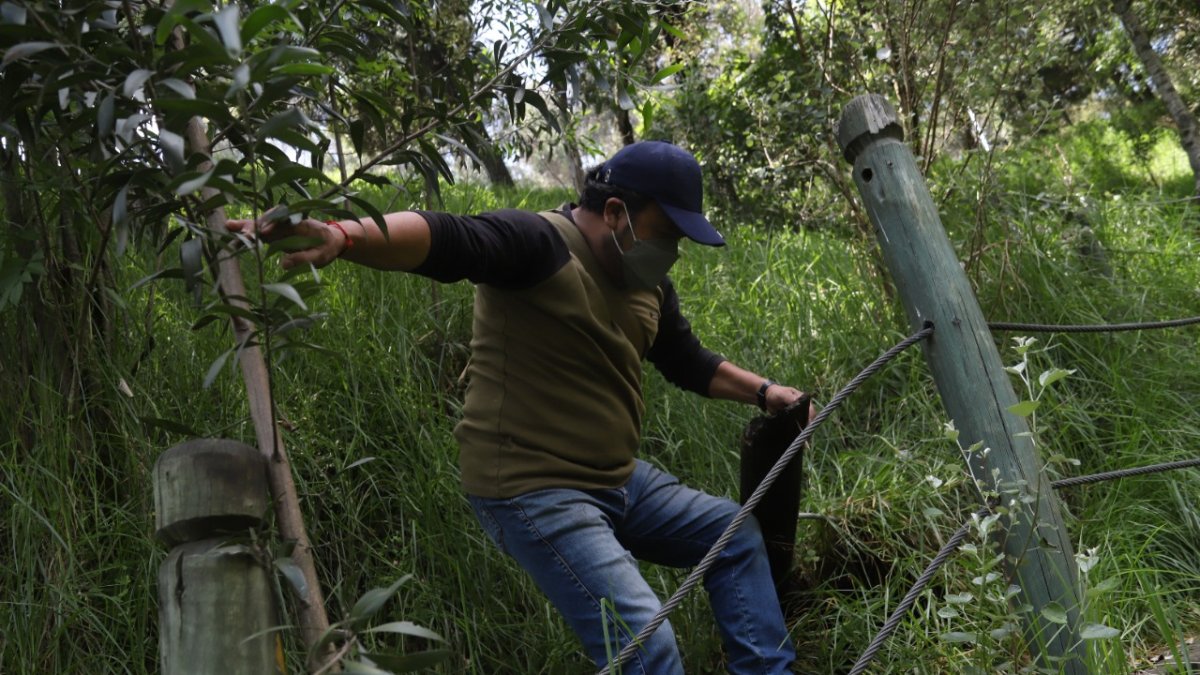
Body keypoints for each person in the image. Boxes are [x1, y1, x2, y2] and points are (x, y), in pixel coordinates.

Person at [229, 140, 811, 673]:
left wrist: (767, 392)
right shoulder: (537, 243)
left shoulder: (646, 281)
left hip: (616, 478)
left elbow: (685, 359)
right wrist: (345, 236)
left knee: (735, 536)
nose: (672, 252)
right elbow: (447, 237)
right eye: (666, 234)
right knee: (645, 642)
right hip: (534, 488)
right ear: (615, 212)